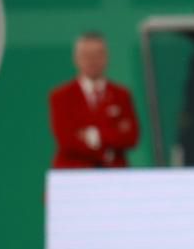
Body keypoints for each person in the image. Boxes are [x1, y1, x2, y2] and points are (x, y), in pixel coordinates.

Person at [49, 32, 139, 168]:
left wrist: (95, 135)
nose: (92, 61)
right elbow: (66, 140)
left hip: (114, 174)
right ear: (76, 58)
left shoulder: (121, 94)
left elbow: (131, 137)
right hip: (74, 174)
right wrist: (108, 144)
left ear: (106, 57)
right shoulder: (60, 96)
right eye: (87, 56)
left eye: (97, 55)